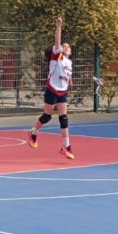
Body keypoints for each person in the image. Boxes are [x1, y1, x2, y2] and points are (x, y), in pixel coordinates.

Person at [28, 17, 75, 160]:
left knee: (64, 118)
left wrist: (70, 82)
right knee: (47, 116)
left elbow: (67, 74)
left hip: (62, 91)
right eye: (64, 46)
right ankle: (33, 132)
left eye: (68, 46)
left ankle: (66, 147)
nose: (66, 47)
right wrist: (59, 27)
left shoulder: (69, 62)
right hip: (52, 89)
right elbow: (57, 41)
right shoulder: (57, 57)